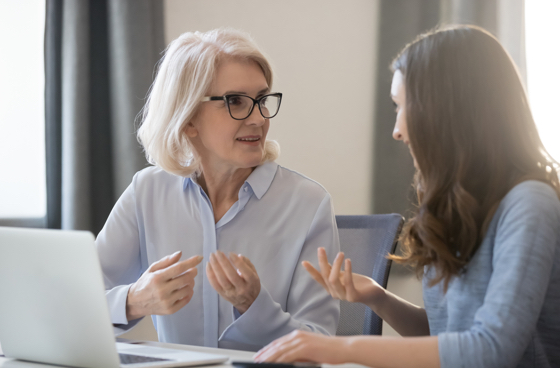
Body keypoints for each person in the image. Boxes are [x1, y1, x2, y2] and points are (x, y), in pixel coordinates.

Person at [255, 25, 560, 368]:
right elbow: (445, 337)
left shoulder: (530, 204)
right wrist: (378, 297)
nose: (397, 130)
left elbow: (489, 350)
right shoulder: (459, 204)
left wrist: (338, 349)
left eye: (403, 106)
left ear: (450, 110)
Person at [95, 28, 340, 351]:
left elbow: (321, 344)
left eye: (262, 100)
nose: (258, 118)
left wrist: (254, 307)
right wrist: (135, 301)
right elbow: (77, 302)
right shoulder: (148, 191)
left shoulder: (309, 203)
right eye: (235, 101)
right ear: (188, 118)